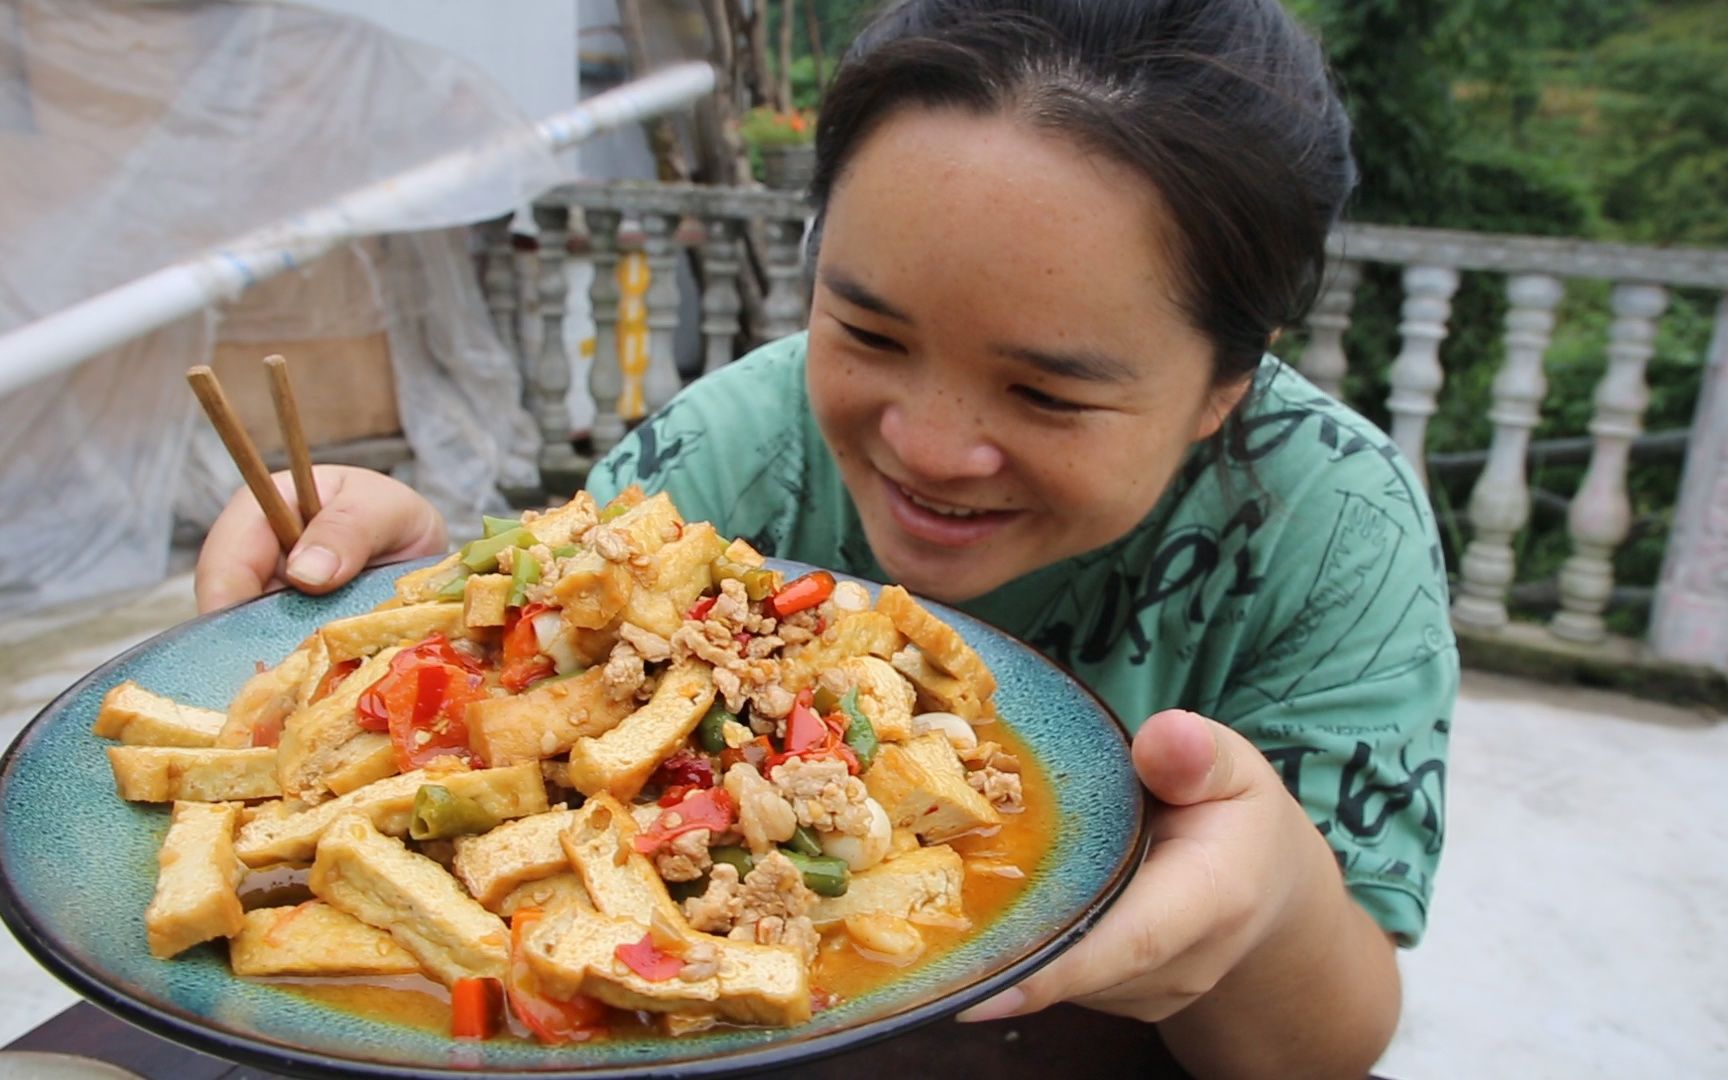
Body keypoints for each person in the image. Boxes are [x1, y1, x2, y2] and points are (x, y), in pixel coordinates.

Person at [198, 1, 1455, 1075]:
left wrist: (1278, 901)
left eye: (1046, 393)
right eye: (867, 333)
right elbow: (536, 659)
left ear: (1223, 390)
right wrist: (413, 606)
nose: (929, 443)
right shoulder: (737, 447)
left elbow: (1326, 1047)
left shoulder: (1332, 529)